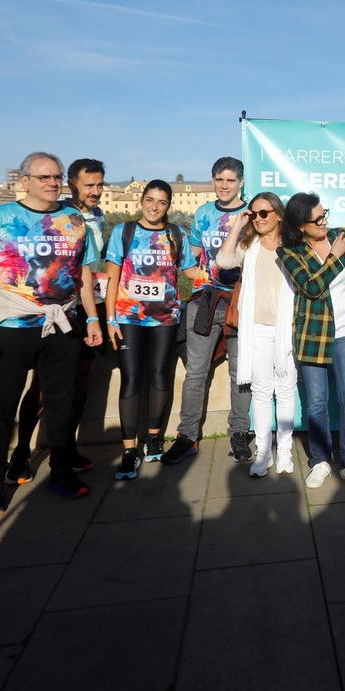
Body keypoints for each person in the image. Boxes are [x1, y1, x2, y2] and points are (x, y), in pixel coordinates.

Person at [0, 152, 103, 517]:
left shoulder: (74, 219)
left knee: (61, 405)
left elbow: (84, 275)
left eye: (57, 177)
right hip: (11, 327)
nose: (53, 183)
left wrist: (91, 319)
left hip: (61, 325)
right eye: (44, 177)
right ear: (23, 181)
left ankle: (59, 469)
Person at [102, 180, 194, 479]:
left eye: (162, 202)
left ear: (169, 205)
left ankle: (153, 437)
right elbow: (112, 278)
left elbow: (192, 271)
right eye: (150, 200)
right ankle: (129, 450)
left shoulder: (177, 234)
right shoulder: (124, 232)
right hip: (129, 318)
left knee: (159, 375)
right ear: (141, 200)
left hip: (166, 319)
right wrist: (109, 319)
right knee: (131, 379)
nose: (154, 207)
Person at [278, 193, 345, 490]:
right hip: (313, 336)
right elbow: (312, 287)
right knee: (317, 403)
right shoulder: (289, 252)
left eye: (324, 213)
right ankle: (320, 460)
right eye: (317, 218)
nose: (324, 221)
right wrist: (334, 256)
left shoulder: (344, 237)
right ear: (300, 225)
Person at [167, 157, 253, 465]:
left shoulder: (251, 214)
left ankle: (239, 433)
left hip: (241, 303)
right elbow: (190, 255)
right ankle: (187, 435)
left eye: (230, 180)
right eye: (219, 180)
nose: (225, 185)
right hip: (205, 301)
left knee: (240, 373)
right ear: (213, 181)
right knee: (196, 373)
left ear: (241, 182)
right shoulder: (204, 212)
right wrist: (193, 277)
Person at [216, 193, 297, 478]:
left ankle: (284, 450)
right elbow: (223, 261)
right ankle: (264, 452)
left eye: (264, 212)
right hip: (257, 329)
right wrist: (239, 224)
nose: (259, 218)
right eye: (255, 213)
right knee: (262, 392)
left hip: (288, 329)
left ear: (278, 214)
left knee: (286, 391)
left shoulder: (293, 245)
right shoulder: (248, 246)